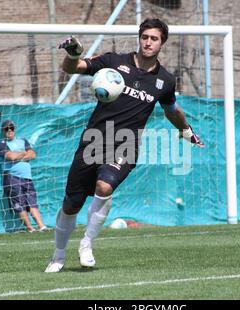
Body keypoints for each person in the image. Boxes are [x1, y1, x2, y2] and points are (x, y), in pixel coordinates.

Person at [45, 18, 204, 272]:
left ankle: (86, 243)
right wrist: (73, 53)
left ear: (162, 43)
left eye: (154, 39)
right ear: (139, 38)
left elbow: (172, 110)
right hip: (93, 140)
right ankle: (58, 255)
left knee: (105, 185)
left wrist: (185, 130)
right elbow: (73, 68)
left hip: (126, 145)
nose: (148, 42)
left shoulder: (165, 81)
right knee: (71, 204)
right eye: (145, 37)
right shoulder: (113, 63)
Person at [0, 120, 48, 233]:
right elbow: (11, 157)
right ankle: (30, 228)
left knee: (32, 202)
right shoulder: (2, 144)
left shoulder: (23, 140)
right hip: (12, 177)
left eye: (11, 128)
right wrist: (24, 154)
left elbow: (33, 154)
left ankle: (42, 226)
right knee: (20, 204)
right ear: (3, 131)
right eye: (6, 128)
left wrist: (20, 155)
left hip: (27, 178)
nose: (9, 130)